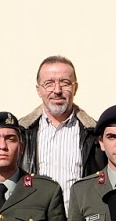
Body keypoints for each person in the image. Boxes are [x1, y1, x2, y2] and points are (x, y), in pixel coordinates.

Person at [19, 55, 104, 203]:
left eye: (65, 83)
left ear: (75, 88)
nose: (57, 90)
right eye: (49, 83)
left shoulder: (95, 134)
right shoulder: (21, 133)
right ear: (38, 90)